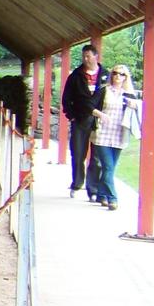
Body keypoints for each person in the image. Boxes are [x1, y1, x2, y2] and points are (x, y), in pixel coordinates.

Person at [89, 65, 140, 212]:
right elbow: (90, 107)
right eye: (115, 73)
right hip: (103, 133)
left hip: (119, 134)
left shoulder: (129, 95)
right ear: (112, 75)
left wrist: (134, 106)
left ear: (126, 77)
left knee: (111, 168)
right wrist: (101, 115)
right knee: (108, 166)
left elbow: (139, 112)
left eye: (122, 74)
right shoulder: (104, 91)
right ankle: (113, 198)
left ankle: (102, 194)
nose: (118, 76)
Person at [60, 45, 103, 198]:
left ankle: (93, 189)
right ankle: (77, 184)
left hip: (99, 122)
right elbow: (66, 98)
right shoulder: (75, 76)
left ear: (96, 56)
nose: (85, 59)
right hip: (79, 120)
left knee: (97, 157)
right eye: (84, 56)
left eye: (88, 56)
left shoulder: (105, 76)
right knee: (78, 153)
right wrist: (71, 115)